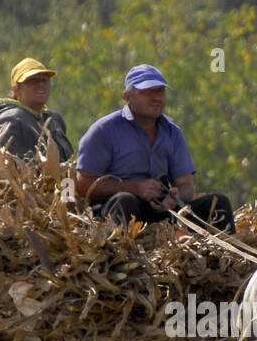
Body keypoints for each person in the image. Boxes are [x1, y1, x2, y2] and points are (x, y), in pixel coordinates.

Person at [75, 64, 234, 232]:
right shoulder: (103, 131)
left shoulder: (173, 132)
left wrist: (175, 197)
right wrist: (135, 188)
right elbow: (83, 184)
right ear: (127, 96)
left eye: (160, 91)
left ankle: (232, 256)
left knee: (219, 203)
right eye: (148, 92)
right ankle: (123, 255)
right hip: (118, 213)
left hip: (163, 210)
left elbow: (186, 184)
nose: (156, 98)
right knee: (125, 200)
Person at [0, 58, 74, 160]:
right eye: (33, 80)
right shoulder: (12, 119)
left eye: (45, 80)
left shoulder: (54, 119)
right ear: (16, 89)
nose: (41, 84)